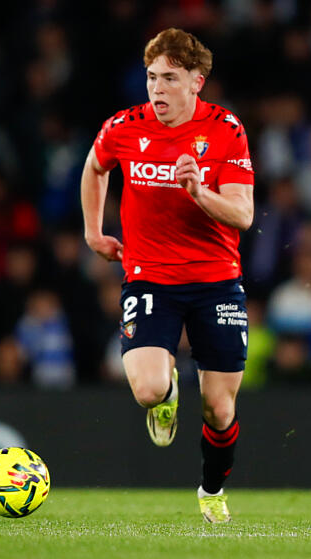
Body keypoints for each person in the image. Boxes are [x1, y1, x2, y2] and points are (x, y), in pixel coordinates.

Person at [80, 28, 254, 523]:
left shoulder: (226, 129)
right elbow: (95, 168)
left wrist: (200, 192)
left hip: (216, 278)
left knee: (220, 411)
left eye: (170, 78)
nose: (157, 89)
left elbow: (242, 215)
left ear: (197, 82)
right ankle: (169, 391)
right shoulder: (125, 127)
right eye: (152, 77)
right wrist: (94, 232)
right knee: (149, 389)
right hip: (150, 275)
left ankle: (211, 488)